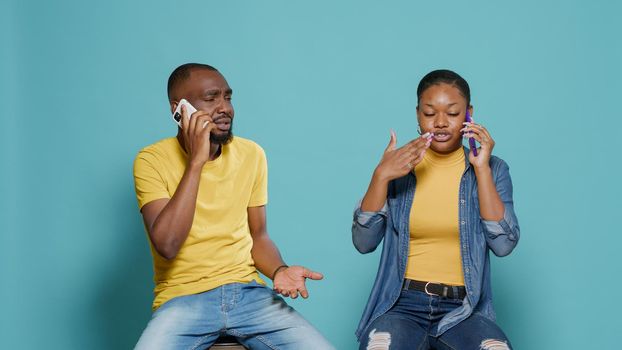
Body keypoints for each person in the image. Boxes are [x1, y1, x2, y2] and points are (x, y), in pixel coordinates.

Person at [133, 63, 334, 350]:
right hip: (183, 299)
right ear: (179, 109)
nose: (224, 107)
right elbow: (167, 243)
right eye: (211, 98)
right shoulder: (151, 160)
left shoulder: (251, 154)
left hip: (249, 295)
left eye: (227, 97)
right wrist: (196, 162)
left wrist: (279, 270)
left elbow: (259, 236)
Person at [352, 70, 520, 350]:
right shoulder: (399, 167)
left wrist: (481, 171)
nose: (441, 123)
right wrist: (380, 175)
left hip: (463, 309)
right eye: (430, 113)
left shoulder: (494, 169)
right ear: (418, 114)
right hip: (401, 305)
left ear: (469, 114)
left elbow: (503, 245)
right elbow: (363, 242)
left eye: (453, 113)